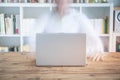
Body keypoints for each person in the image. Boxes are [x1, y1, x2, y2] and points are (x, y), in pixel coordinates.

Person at [28, 0, 105, 61]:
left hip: (74, 63)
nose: (63, 1)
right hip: (50, 63)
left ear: (71, 1)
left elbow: (94, 38)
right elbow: (32, 37)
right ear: (54, 1)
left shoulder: (79, 17)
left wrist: (98, 50)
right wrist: (38, 52)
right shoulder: (46, 17)